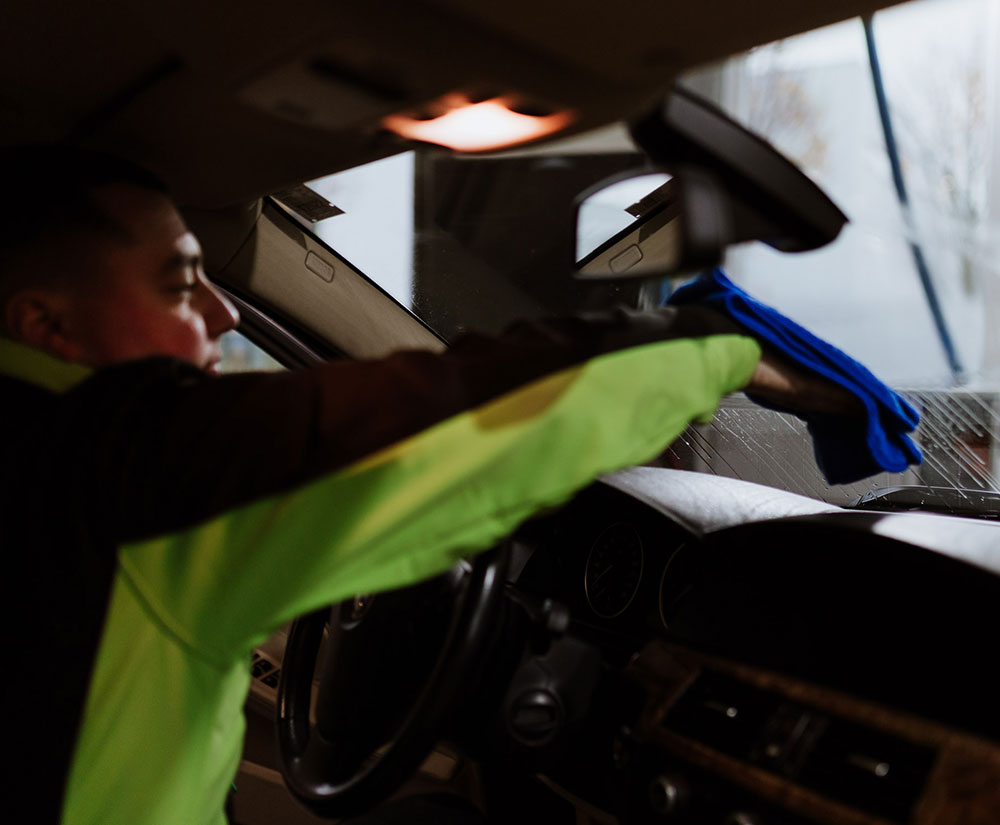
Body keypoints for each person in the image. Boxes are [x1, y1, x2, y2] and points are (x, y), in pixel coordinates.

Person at [0, 145, 857, 825]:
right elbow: (467, 423)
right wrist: (721, 344)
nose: (223, 314)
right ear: (45, 323)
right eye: (182, 283)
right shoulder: (126, 465)